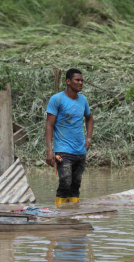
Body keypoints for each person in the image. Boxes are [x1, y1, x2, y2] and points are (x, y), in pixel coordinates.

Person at [45, 68, 94, 207]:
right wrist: (49, 151)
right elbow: (49, 125)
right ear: (68, 81)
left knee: (76, 184)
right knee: (65, 181)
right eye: (77, 80)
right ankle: (60, 213)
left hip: (80, 150)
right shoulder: (57, 99)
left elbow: (89, 118)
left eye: (82, 80)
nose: (80, 83)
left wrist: (88, 138)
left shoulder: (83, 100)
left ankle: (73, 215)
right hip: (63, 150)